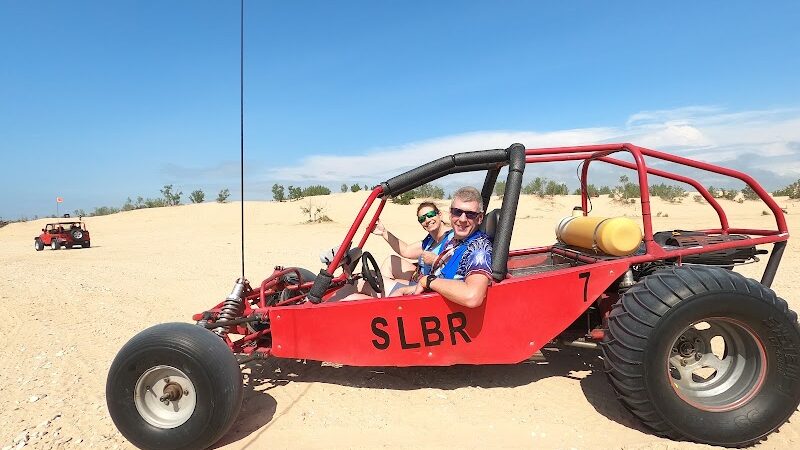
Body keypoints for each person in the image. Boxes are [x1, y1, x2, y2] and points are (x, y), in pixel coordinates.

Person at [392, 186, 493, 308]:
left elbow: (472, 297)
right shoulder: (455, 242)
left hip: (439, 308)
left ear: (480, 218)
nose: (462, 219)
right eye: (457, 212)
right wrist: (410, 289)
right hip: (433, 298)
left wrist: (428, 280)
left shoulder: (478, 248)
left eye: (470, 214)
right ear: (450, 214)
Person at [371, 201, 453, 292]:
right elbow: (406, 250)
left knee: (371, 282)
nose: (427, 220)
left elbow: (456, 269)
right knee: (390, 261)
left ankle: (385, 300)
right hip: (419, 279)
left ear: (439, 214)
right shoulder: (430, 240)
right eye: (422, 219)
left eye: (430, 215)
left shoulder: (453, 239)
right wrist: (383, 232)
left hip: (429, 288)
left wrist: (436, 260)